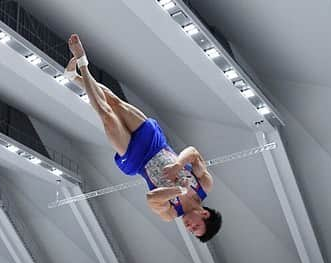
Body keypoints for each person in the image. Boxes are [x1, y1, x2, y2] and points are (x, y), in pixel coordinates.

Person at [65, 34, 222, 242]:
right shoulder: (205, 185)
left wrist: (178, 189)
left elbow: (151, 198)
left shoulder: (171, 214)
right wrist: (178, 166)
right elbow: (192, 153)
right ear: (205, 214)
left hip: (136, 159)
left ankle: (83, 63)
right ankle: (73, 77)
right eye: (196, 226)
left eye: (191, 232)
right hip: (156, 144)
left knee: (107, 117)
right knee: (114, 102)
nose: (189, 227)